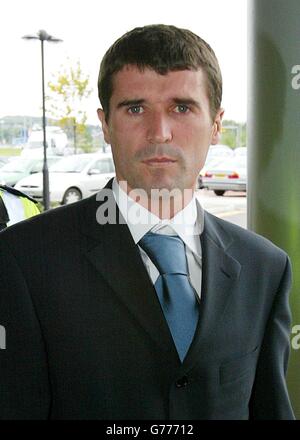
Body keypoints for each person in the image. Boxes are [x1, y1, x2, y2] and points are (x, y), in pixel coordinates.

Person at [0, 24, 294, 420]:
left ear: (217, 123)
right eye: (135, 108)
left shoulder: (265, 267)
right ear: (105, 124)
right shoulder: (24, 260)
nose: (160, 132)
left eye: (182, 107)